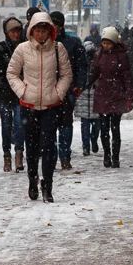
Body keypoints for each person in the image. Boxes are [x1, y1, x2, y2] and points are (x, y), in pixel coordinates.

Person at [7, 12, 72, 202]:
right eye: (38, 31)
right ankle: (32, 179)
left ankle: (48, 184)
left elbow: (66, 75)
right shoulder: (22, 49)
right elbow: (11, 73)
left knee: (49, 147)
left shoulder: (58, 49)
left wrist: (58, 93)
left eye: (44, 31)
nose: (41, 35)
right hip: (29, 106)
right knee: (32, 147)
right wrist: (23, 91)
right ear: (32, 31)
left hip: (51, 107)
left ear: (50, 31)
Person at [89, 26, 133, 167]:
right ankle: (106, 155)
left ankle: (115, 157)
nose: (105, 45)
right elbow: (94, 72)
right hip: (103, 94)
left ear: (114, 42)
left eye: (108, 43)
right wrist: (85, 84)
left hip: (116, 95)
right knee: (104, 128)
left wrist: (129, 95)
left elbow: (127, 77)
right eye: (104, 42)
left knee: (115, 128)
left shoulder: (121, 56)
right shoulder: (99, 55)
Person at [0, 16, 26, 172]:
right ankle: (7, 155)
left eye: (18, 31)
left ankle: (19, 153)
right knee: (6, 124)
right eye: (12, 31)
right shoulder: (0, 48)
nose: (15, 34)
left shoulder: (25, 48)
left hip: (20, 94)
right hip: (3, 94)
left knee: (19, 124)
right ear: (7, 32)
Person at [51, 11, 88, 170]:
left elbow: (82, 66)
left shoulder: (72, 43)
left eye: (56, 25)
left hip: (67, 91)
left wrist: (78, 85)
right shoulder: (43, 44)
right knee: (49, 126)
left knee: (65, 124)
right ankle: (51, 156)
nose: (54, 28)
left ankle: (65, 156)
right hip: (48, 91)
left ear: (61, 26)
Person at [76, 40, 100, 157]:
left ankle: (91, 142)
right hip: (84, 95)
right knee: (87, 124)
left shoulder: (97, 63)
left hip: (93, 96)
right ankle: (86, 145)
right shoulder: (82, 64)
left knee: (93, 124)